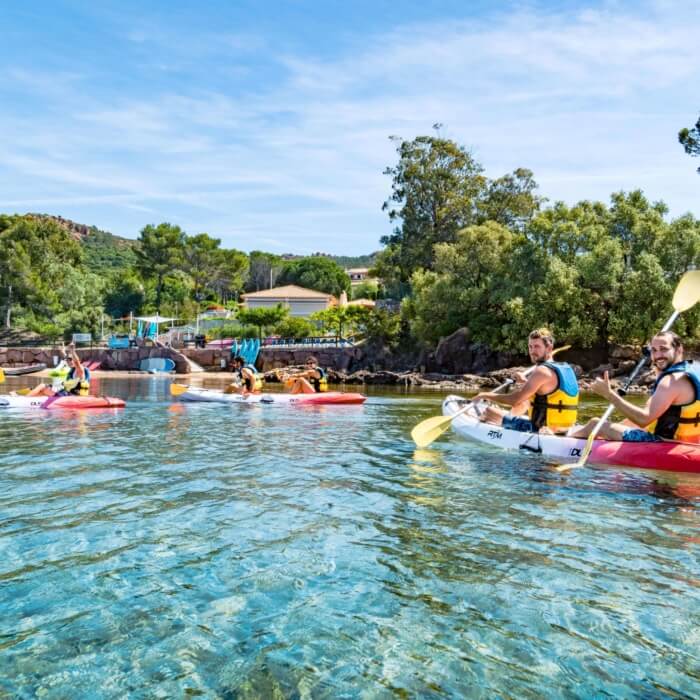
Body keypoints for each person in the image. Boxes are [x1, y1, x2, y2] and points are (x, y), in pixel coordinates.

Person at [570, 331, 700, 443]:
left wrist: (609, 394)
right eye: (654, 350)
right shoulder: (695, 371)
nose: (658, 355)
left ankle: (561, 438)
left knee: (595, 424)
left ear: (679, 350)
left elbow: (643, 419)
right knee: (622, 423)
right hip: (691, 443)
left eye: (664, 349)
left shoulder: (670, 381)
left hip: (663, 443)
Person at [471, 328, 579, 434]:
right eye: (530, 346)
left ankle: (502, 426)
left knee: (490, 412)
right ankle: (509, 419)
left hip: (541, 430)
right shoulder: (566, 368)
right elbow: (548, 391)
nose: (532, 351)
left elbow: (514, 400)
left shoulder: (542, 370)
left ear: (549, 348)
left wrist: (485, 395)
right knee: (524, 402)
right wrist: (525, 382)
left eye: (537, 346)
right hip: (565, 428)